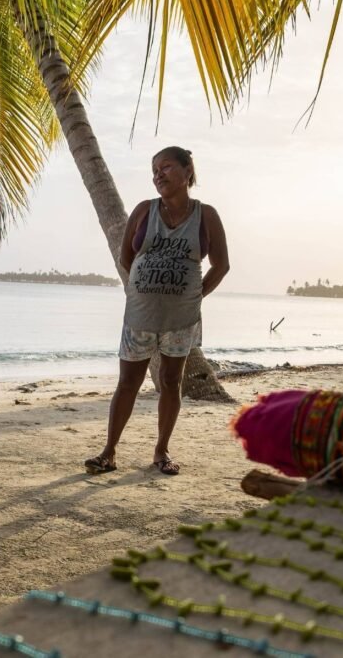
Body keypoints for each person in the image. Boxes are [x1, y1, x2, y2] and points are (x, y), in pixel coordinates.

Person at [84, 146, 229, 476]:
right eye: (154, 170)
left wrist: (195, 296)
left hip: (181, 319)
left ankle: (161, 452)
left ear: (187, 170)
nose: (158, 175)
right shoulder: (143, 211)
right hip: (139, 316)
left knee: (170, 381)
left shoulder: (205, 215)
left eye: (165, 167)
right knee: (128, 383)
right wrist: (145, 287)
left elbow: (221, 265)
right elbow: (126, 258)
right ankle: (108, 452)